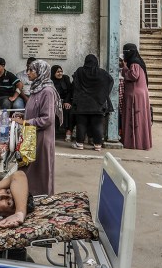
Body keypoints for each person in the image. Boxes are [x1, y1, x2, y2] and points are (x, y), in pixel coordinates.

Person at [12, 60, 58, 196]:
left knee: (40, 170)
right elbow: (35, 110)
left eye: (31, 70)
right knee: (29, 169)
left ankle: (42, 198)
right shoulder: (36, 88)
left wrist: (25, 122)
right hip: (32, 136)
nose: (28, 73)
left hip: (42, 138)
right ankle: (28, 196)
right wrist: (23, 115)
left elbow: (47, 119)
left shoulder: (47, 91)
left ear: (40, 72)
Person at [69, 55, 114, 152]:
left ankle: (79, 144)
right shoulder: (102, 73)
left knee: (81, 123)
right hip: (98, 103)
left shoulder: (80, 71)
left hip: (82, 103)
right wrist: (104, 94)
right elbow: (111, 81)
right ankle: (97, 145)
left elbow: (75, 84)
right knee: (97, 124)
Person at [120, 43, 152, 150]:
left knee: (134, 117)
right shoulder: (139, 61)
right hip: (141, 93)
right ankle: (142, 142)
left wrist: (124, 68)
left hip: (134, 95)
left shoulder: (134, 63)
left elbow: (134, 75)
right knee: (141, 118)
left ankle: (134, 143)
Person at [51, 64, 74, 141]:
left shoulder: (65, 78)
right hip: (54, 101)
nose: (60, 73)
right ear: (53, 73)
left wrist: (67, 101)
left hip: (65, 101)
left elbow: (70, 91)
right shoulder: (50, 81)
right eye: (58, 72)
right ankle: (53, 132)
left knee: (68, 110)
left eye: (61, 71)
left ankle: (68, 132)